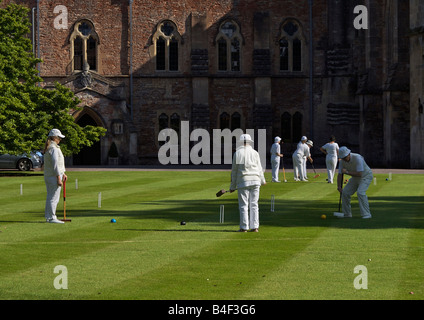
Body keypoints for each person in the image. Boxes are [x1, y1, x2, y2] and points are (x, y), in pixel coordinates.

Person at [230, 134, 266, 232]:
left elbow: (234, 171)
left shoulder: (237, 153)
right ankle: (255, 227)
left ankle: (244, 227)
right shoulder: (255, 153)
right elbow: (260, 168)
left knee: (244, 205)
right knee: (254, 204)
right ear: (250, 142)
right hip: (255, 180)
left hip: (243, 181)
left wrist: (232, 186)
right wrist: (263, 180)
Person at [336, 147, 372, 219]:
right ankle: (347, 214)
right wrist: (339, 186)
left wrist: (346, 172)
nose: (345, 159)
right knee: (345, 193)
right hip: (355, 178)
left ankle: (367, 214)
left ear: (349, 154)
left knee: (360, 192)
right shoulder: (342, 162)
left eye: (345, 157)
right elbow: (340, 175)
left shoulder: (358, 158)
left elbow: (359, 174)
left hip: (365, 176)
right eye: (343, 158)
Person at [43, 129, 68, 224]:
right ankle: (52, 217)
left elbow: (58, 164)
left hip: (52, 175)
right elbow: (55, 164)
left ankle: (49, 216)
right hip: (53, 176)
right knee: (53, 197)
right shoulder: (53, 149)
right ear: (54, 137)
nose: (60, 139)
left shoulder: (52, 147)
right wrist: (58, 177)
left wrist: (63, 173)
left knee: (51, 197)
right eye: (59, 137)